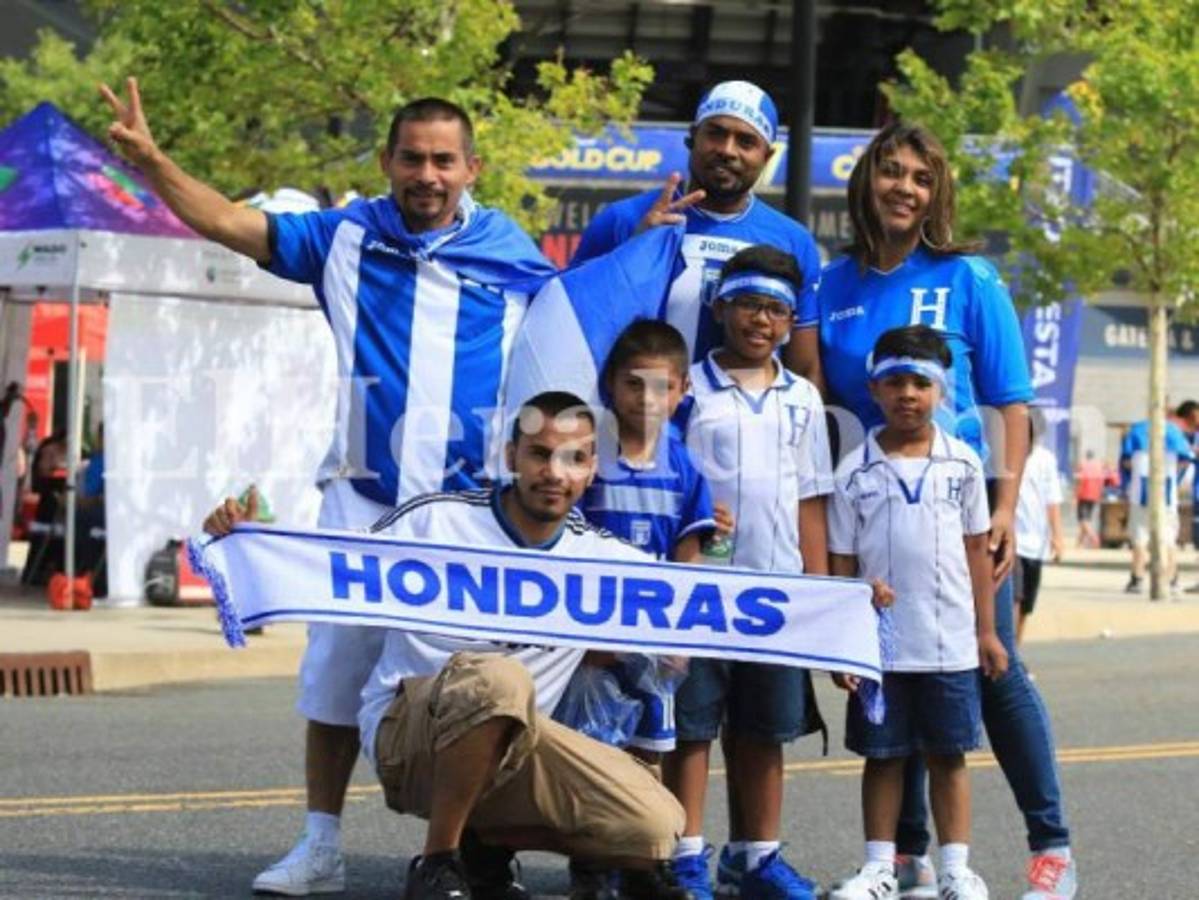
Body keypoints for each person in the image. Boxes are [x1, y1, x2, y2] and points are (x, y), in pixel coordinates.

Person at [101, 79, 557, 895]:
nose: (427, 174)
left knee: (479, 686)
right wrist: (152, 160)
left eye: (443, 161)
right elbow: (226, 221)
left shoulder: (515, 252)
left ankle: (477, 850)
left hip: (467, 517)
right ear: (385, 161)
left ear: (472, 168)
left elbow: (578, 327)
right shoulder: (343, 236)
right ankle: (319, 846)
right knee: (334, 676)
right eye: (411, 158)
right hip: (362, 502)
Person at [207, 392, 692, 900]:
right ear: (510, 458)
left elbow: (692, 622)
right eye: (539, 453)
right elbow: (333, 564)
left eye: (573, 459)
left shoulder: (603, 557)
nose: (555, 472)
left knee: (657, 825)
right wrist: (247, 540)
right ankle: (438, 863)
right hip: (410, 735)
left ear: (592, 468)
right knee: (499, 678)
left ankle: (484, 841)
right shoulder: (436, 521)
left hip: (514, 751)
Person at [817, 122, 1077, 900]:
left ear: (936, 194)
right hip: (870, 516)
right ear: (867, 180)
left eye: (920, 178)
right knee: (895, 681)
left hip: (960, 515)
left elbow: (1010, 404)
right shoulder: (830, 285)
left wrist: (1002, 509)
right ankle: (907, 860)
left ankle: (1052, 850)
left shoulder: (970, 279)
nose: (903, 187)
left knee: (990, 673)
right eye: (891, 172)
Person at [667, 245, 832, 900]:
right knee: (691, 726)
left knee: (764, 730)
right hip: (703, 590)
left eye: (773, 309)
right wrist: (697, 515)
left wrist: (818, 592)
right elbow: (667, 481)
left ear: (789, 321)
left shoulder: (805, 399)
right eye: (745, 304)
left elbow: (812, 496)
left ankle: (754, 857)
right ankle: (681, 854)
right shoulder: (688, 390)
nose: (758, 320)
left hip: (777, 591)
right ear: (719, 307)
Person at [827, 325, 1007, 900]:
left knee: (948, 755)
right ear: (874, 390)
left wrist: (986, 630)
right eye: (895, 382)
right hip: (880, 645)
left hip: (949, 640)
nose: (908, 394)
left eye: (921, 382)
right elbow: (841, 559)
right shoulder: (852, 470)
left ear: (941, 390)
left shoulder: (962, 466)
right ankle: (881, 867)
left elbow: (978, 548)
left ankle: (955, 869)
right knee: (883, 758)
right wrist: (843, 639)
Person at [564, 319, 720, 898]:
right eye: (634, 385)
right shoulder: (589, 458)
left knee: (647, 752)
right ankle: (589, 861)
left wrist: (680, 636)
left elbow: (688, 554)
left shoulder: (684, 465)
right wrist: (582, 634)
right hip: (595, 638)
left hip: (654, 637)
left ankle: (640, 859)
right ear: (611, 386)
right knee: (591, 749)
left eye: (662, 387)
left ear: (681, 391)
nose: (648, 399)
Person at [571, 81, 824, 388]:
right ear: (692, 137)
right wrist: (633, 254)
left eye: (745, 141)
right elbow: (571, 323)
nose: (727, 150)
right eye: (716, 133)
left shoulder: (793, 241)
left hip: (738, 426)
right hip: (639, 420)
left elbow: (805, 367)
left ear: (767, 156)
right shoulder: (623, 219)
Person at [1119, 409, 1196, 598]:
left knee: (1139, 538)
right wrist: (1175, 479)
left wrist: (1131, 478)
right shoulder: (1174, 432)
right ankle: (1172, 579)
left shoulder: (1136, 430)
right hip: (1166, 492)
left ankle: (1137, 579)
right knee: (1168, 539)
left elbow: (1125, 462)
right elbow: (1187, 460)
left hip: (1140, 491)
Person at [1014, 414, 1064, 644]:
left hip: (1036, 543)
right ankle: (1009, 660)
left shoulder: (1045, 459)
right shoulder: (1004, 455)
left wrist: (1057, 537)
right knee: (1013, 599)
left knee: (1026, 606)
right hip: (1011, 543)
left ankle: (1016, 652)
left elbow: (1052, 500)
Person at [1072, 450, 1104, 548]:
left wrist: (1075, 496)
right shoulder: (1099, 466)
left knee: (1083, 520)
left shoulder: (1083, 465)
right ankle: (1079, 543)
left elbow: (1079, 481)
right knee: (1086, 520)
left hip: (1084, 495)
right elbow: (1101, 482)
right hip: (1094, 496)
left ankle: (1094, 538)